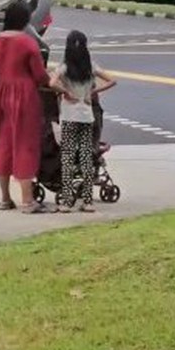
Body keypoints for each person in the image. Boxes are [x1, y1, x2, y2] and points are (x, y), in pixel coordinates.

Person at [0, 2, 51, 214]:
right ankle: (27, 200)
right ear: (24, 20)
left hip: (0, 94)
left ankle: (5, 198)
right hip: (25, 95)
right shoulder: (28, 43)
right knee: (25, 144)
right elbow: (40, 76)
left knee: (3, 143)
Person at [49, 30, 115, 213]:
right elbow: (112, 80)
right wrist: (91, 93)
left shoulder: (64, 67)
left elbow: (52, 82)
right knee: (86, 156)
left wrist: (65, 92)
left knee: (68, 157)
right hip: (87, 116)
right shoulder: (90, 67)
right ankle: (87, 201)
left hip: (69, 116)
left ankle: (67, 201)